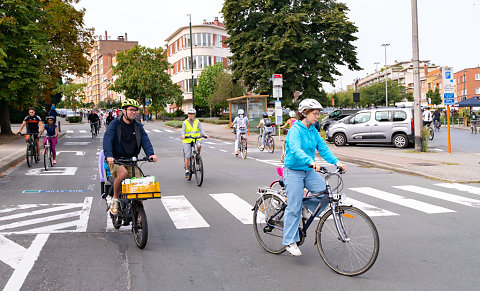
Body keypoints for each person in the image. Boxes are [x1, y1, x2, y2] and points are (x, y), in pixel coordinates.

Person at [282, 99, 347, 256]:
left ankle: (306, 208)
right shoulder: (295, 130)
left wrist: (336, 162)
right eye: (315, 113)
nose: (317, 116)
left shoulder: (313, 131)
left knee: (326, 194)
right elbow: (296, 149)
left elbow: (323, 148)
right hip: (293, 171)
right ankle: (289, 241)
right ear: (304, 113)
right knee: (294, 206)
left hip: (308, 171)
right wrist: (311, 161)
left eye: (318, 113)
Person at [103, 99, 158, 215]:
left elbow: (145, 140)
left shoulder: (138, 126)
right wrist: (109, 156)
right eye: (131, 110)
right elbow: (107, 140)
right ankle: (115, 199)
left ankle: (138, 214)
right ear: (124, 111)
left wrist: (150, 154)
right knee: (122, 174)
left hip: (131, 161)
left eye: (135, 110)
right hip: (116, 160)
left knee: (140, 188)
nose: (134, 112)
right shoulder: (115, 124)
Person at [181, 108, 208, 179]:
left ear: (194, 115)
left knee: (199, 146)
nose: (191, 115)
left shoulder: (197, 121)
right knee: (188, 156)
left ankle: (198, 157)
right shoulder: (185, 122)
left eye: (192, 114)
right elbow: (183, 131)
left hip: (196, 138)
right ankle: (187, 170)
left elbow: (201, 130)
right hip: (187, 140)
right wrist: (183, 135)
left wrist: (204, 135)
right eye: (189, 114)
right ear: (188, 114)